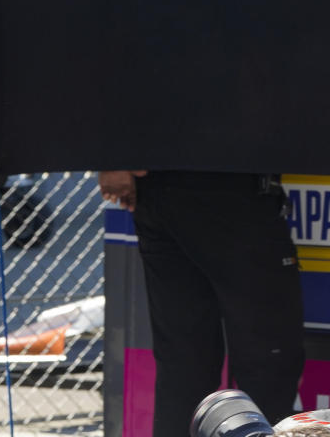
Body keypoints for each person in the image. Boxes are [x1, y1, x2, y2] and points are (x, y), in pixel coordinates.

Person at [101, 170, 305, 437]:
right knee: (266, 359)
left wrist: (115, 161)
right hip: (226, 183)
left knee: (184, 361)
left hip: (162, 187)